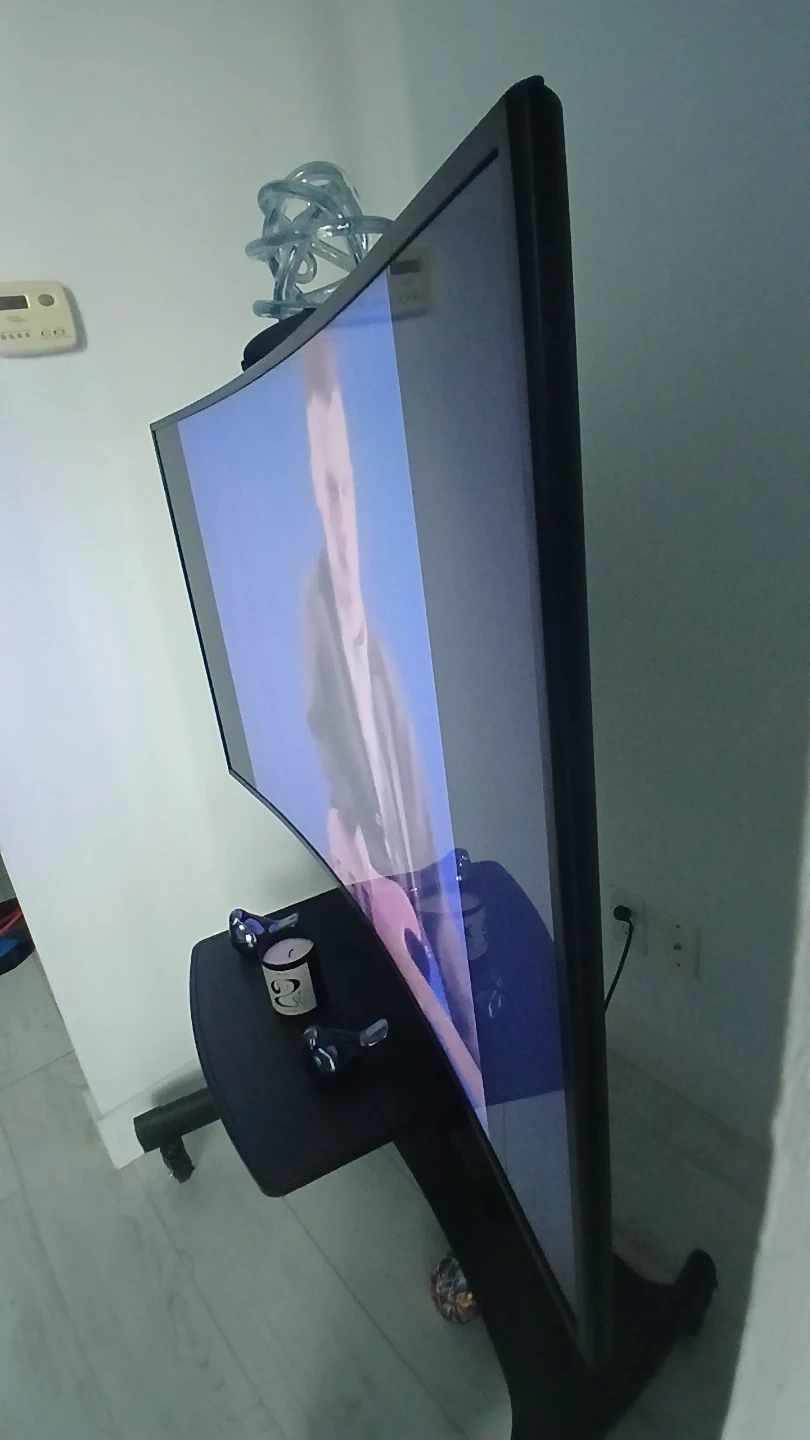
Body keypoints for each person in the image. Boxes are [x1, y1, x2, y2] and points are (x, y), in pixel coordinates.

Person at [300, 331, 483, 1108]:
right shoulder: (321, 629)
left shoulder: (381, 647)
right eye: (327, 483)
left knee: (466, 1016)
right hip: (384, 865)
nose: (342, 503)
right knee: (432, 996)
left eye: (347, 481)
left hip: (422, 859)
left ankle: (486, 1106)